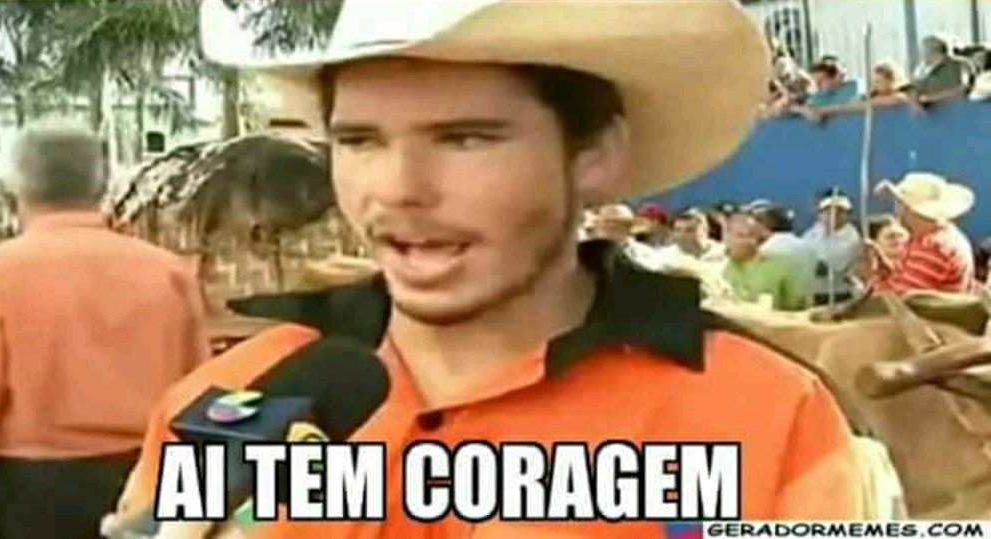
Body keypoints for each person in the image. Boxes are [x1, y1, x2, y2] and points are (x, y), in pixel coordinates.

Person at [104, 1, 864, 536]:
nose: (398, 188)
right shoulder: (233, 398)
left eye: (465, 138)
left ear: (595, 155)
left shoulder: (767, 416)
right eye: (360, 141)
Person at [0, 125, 211, 539]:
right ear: (103, 184)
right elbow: (199, 393)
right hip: (149, 482)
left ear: (14, 187)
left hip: (27, 494)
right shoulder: (167, 271)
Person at [867, 172, 977, 295]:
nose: (897, 210)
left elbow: (898, 298)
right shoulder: (945, 236)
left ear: (907, 208)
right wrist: (886, 271)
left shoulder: (932, 247)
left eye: (899, 203)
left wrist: (874, 277)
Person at [723, 211, 811, 311]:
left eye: (742, 235)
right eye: (729, 234)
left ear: (756, 239)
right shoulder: (720, 266)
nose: (730, 241)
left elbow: (798, 308)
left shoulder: (781, 265)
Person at [802, 191, 862, 306]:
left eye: (840, 211)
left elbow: (831, 268)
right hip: (812, 293)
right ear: (819, 214)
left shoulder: (852, 239)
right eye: (828, 211)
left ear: (848, 215)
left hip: (839, 295)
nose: (834, 215)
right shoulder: (812, 233)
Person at [754, 202, 816, 305]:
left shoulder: (765, 251)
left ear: (764, 224)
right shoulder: (808, 248)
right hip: (806, 308)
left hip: (775, 311)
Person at [911, 35, 976, 104]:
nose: (921, 54)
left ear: (935, 51)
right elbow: (914, 90)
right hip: (927, 109)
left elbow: (963, 90)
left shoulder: (960, 64)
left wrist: (929, 98)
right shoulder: (920, 69)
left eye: (923, 51)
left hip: (955, 107)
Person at [661, 207, 726, 263]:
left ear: (705, 230)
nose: (682, 235)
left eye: (690, 230)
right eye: (678, 230)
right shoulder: (665, 256)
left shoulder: (723, 252)